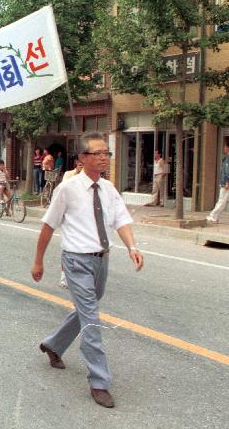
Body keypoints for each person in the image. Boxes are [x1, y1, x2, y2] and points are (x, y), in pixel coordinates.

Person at [31, 132, 144, 409]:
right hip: (76, 260)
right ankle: (99, 381)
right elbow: (48, 226)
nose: (104, 157)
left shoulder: (109, 189)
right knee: (92, 318)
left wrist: (132, 247)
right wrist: (38, 261)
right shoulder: (67, 190)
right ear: (82, 158)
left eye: (107, 153)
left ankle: (54, 344)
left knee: (87, 308)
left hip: (101, 260)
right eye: (98, 153)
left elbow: (121, 220)